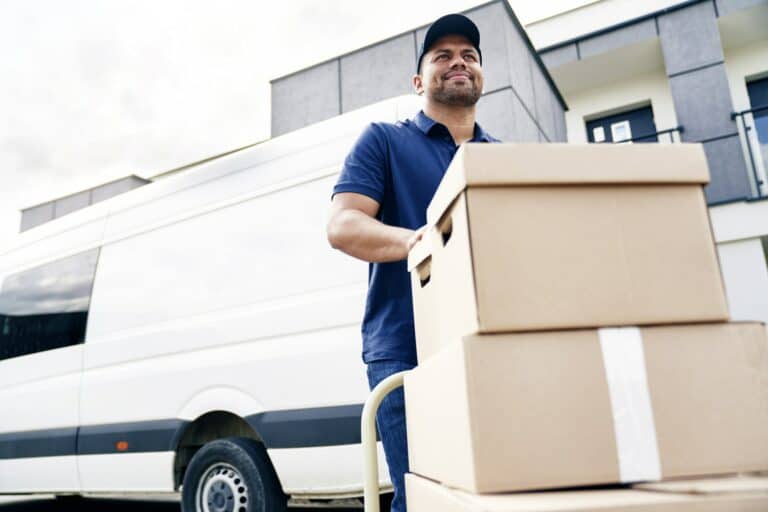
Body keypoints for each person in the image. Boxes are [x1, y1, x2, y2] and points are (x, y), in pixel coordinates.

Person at [326, 13, 500, 512]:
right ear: (419, 81)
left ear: (481, 75)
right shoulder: (383, 140)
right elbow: (343, 226)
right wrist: (420, 242)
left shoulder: (501, 155)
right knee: (425, 497)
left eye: (469, 55)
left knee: (495, 488)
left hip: (488, 345)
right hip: (406, 349)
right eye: (442, 56)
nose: (458, 63)